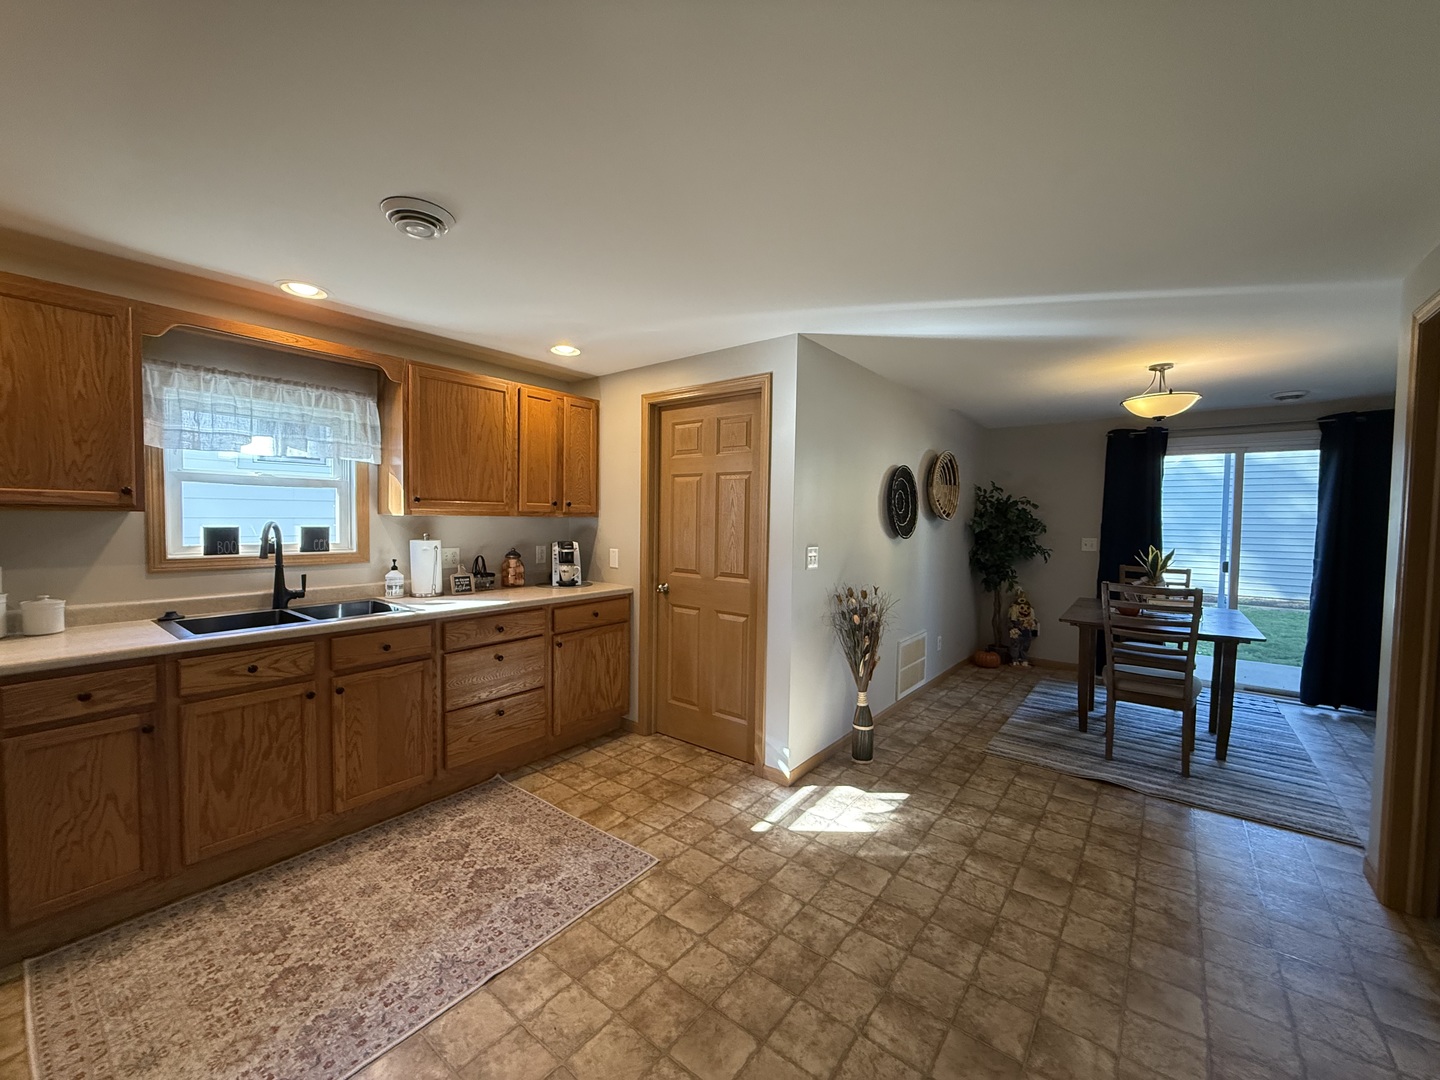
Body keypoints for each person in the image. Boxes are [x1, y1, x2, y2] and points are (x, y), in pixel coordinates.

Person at [1007, 587, 1038, 666]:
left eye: (1027, 608)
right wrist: (1014, 625)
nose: (1025, 610)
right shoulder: (1014, 614)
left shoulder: (1030, 616)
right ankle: (1015, 659)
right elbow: (1010, 623)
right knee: (1015, 644)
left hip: (1026, 632)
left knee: (1026, 645)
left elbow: (1034, 622)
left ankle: (1024, 659)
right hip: (1016, 631)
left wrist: (1032, 624)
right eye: (1022, 608)